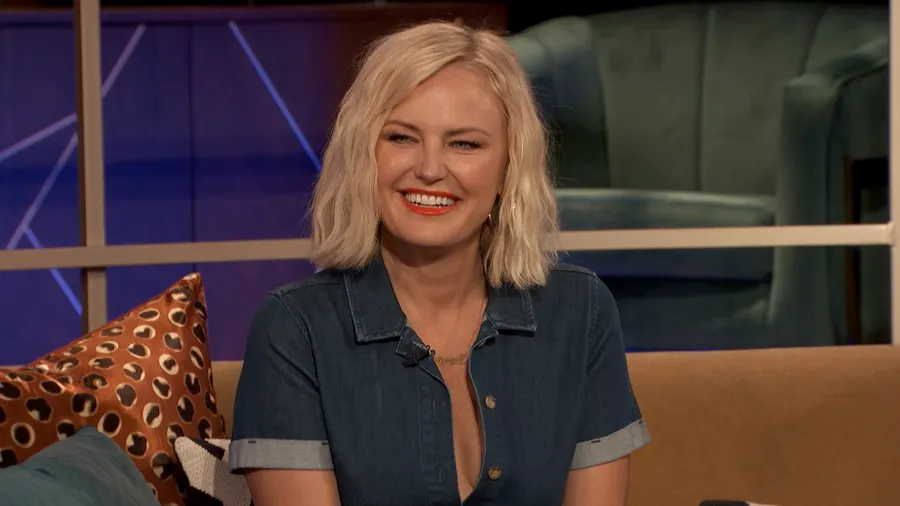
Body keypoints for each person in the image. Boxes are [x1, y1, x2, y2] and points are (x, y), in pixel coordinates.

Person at [228, 20, 650, 506]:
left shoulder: (580, 311)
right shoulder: (295, 330)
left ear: (508, 168)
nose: (429, 169)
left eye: (464, 144)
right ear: (363, 155)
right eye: (401, 138)